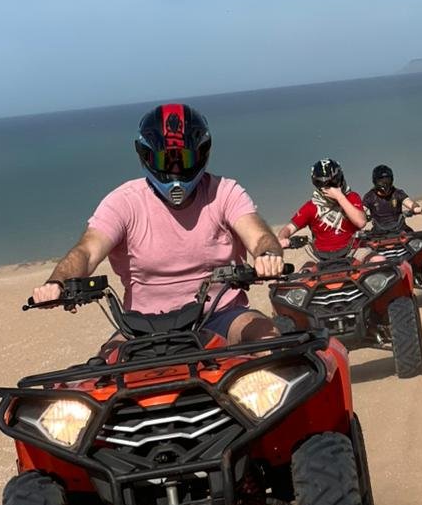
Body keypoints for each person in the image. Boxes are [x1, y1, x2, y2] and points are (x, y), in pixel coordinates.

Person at [30, 104, 284, 345]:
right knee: (104, 365)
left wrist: (267, 255)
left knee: (268, 338)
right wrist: (58, 282)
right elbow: (87, 251)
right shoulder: (123, 201)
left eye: (184, 159)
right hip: (142, 325)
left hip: (221, 315)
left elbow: (259, 236)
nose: (176, 169)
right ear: (147, 156)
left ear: (201, 154)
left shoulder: (225, 192)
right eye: (166, 160)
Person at [277, 158, 367, 258]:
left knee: (376, 260)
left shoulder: (352, 197)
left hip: (353, 251)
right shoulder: (311, 206)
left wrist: (340, 197)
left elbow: (361, 222)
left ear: (340, 179)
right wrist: (283, 239)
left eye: (333, 182)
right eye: (322, 184)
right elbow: (289, 228)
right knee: (306, 268)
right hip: (321, 258)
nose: (328, 188)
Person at [362, 164, 422, 232]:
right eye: (381, 180)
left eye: (387, 180)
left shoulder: (397, 193)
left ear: (392, 179)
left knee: (420, 237)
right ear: (375, 181)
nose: (385, 183)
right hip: (378, 232)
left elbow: (410, 203)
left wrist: (415, 208)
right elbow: (361, 210)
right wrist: (363, 216)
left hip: (400, 229)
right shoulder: (369, 196)